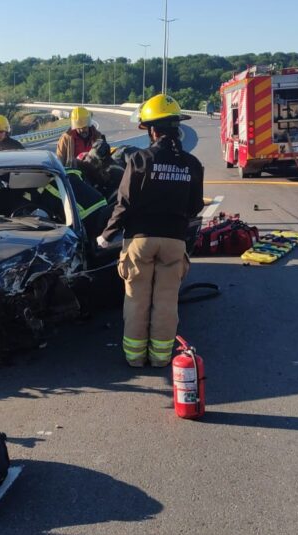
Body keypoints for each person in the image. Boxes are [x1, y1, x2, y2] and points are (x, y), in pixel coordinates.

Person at [96, 94, 204, 368]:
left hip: (140, 241)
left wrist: (106, 235)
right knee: (166, 301)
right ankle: (160, 358)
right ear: (177, 128)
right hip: (174, 242)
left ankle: (134, 358)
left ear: (153, 130)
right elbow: (194, 207)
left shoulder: (141, 159)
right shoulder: (191, 165)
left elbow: (124, 203)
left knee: (137, 300)